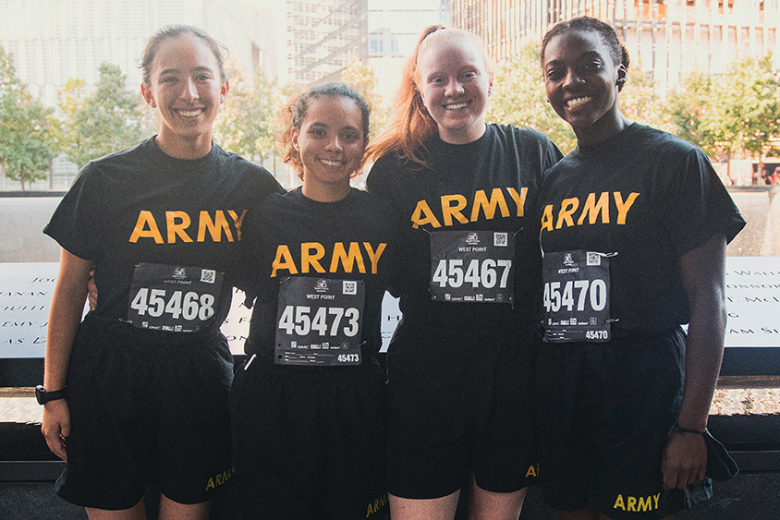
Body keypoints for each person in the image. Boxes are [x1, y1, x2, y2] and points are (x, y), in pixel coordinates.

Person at [40, 25, 283, 520]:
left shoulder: (252, 187)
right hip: (109, 375)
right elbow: (68, 291)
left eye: (201, 77)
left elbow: (283, 270)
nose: (188, 93)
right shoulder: (105, 180)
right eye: (170, 78)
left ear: (224, 89)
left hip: (197, 378)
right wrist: (54, 394)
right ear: (148, 92)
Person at [536, 16, 745, 520]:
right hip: (567, 387)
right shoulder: (554, 180)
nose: (571, 82)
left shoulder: (674, 162)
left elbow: (708, 301)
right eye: (555, 71)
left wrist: (692, 425)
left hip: (643, 386)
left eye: (589, 65)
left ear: (620, 71)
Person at [365, 25, 563, 520]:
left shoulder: (533, 151)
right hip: (427, 378)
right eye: (438, 79)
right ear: (420, 87)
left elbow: (566, 248)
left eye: (467, 74)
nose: (453, 89)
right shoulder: (394, 169)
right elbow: (382, 272)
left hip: (514, 376)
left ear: (490, 80)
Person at [230, 82, 396, 520]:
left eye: (349, 135)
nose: (333, 146)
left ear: (363, 146)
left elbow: (420, 283)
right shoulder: (264, 217)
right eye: (318, 131)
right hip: (273, 400)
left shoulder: (383, 217)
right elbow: (210, 262)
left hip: (355, 398)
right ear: (295, 137)